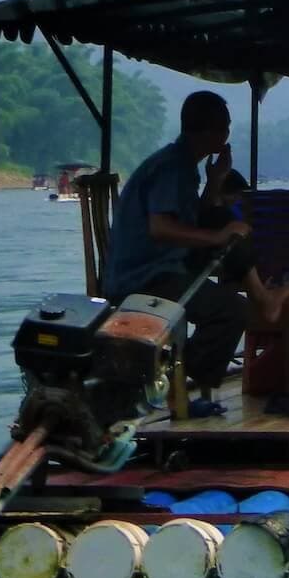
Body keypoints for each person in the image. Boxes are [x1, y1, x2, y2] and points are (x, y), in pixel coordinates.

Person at [101, 91, 253, 407]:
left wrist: (216, 181)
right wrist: (218, 237)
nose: (226, 135)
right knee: (233, 311)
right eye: (224, 128)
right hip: (145, 276)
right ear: (213, 132)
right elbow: (162, 229)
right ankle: (175, 382)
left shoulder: (183, 165)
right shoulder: (173, 167)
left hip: (163, 266)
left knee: (222, 228)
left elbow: (190, 220)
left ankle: (180, 378)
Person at [189, 165, 289, 324]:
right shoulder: (223, 216)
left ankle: (261, 293)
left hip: (219, 265)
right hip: (276, 269)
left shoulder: (205, 213)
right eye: (237, 199)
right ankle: (261, 295)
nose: (239, 204)